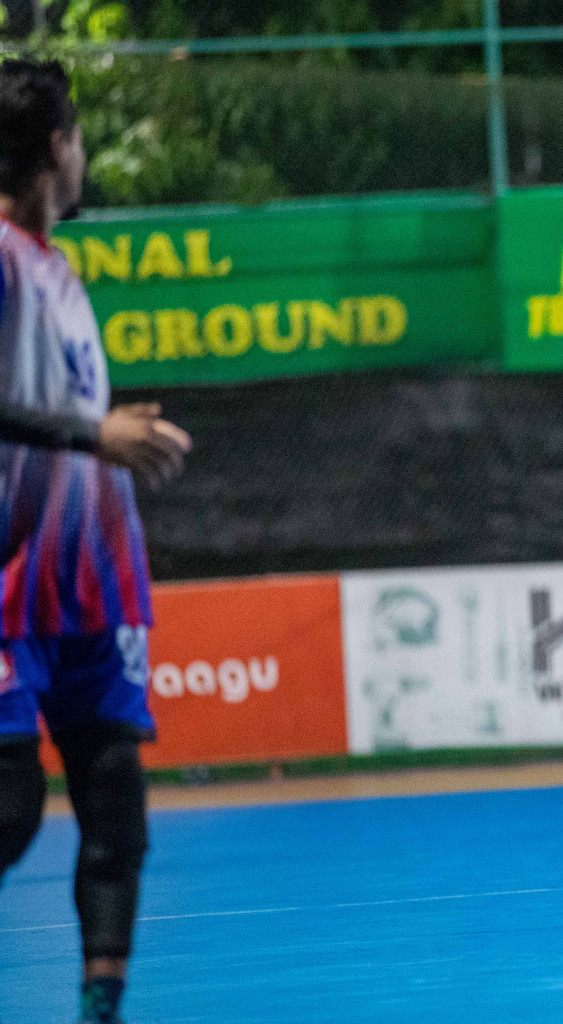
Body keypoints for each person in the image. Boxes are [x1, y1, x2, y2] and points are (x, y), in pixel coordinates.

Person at [0, 59, 192, 1024]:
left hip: (86, 579)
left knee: (116, 804)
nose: (81, 154)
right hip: (7, 579)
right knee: (11, 805)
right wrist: (92, 434)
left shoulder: (55, 266)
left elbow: (41, 406)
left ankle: (99, 1011)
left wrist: (109, 432)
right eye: (74, 136)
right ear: (52, 149)